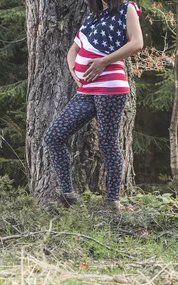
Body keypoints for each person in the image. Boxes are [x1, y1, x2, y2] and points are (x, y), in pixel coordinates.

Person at [43, 0, 143, 215]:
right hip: (87, 90)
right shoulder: (93, 18)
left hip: (111, 86)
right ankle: (68, 196)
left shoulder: (127, 9)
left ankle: (112, 203)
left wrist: (103, 61)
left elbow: (137, 43)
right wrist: (74, 72)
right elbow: (73, 50)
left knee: (108, 143)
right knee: (54, 136)